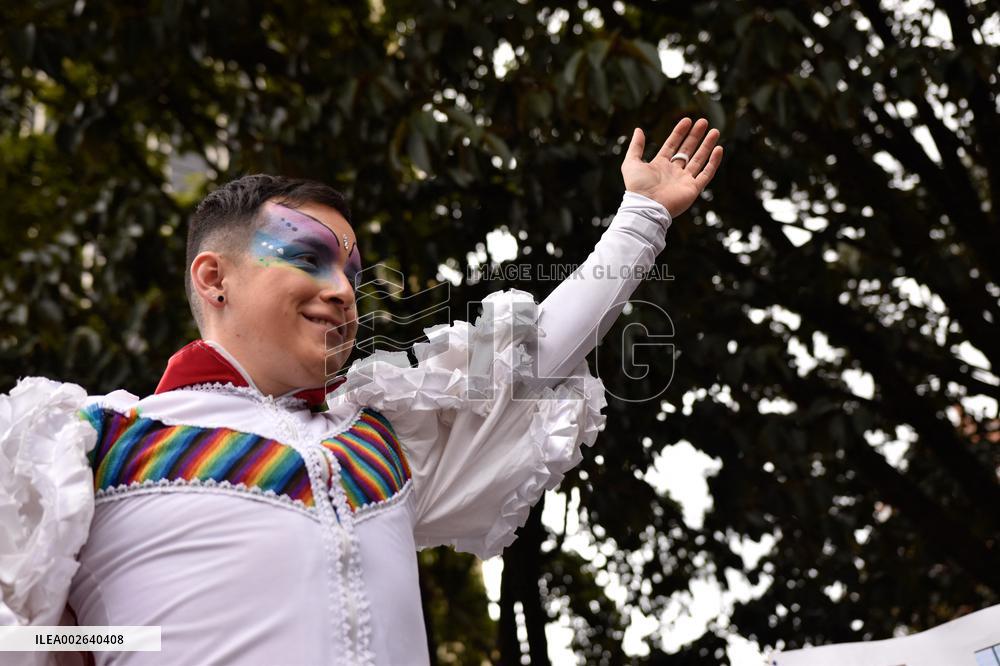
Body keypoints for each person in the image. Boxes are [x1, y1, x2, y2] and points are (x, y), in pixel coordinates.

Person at [0, 118, 722, 665]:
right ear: (214, 278)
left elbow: (536, 356)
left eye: (349, 267)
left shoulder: (380, 438)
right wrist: (129, 641)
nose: (344, 290)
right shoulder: (89, 444)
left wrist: (642, 217)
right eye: (310, 257)